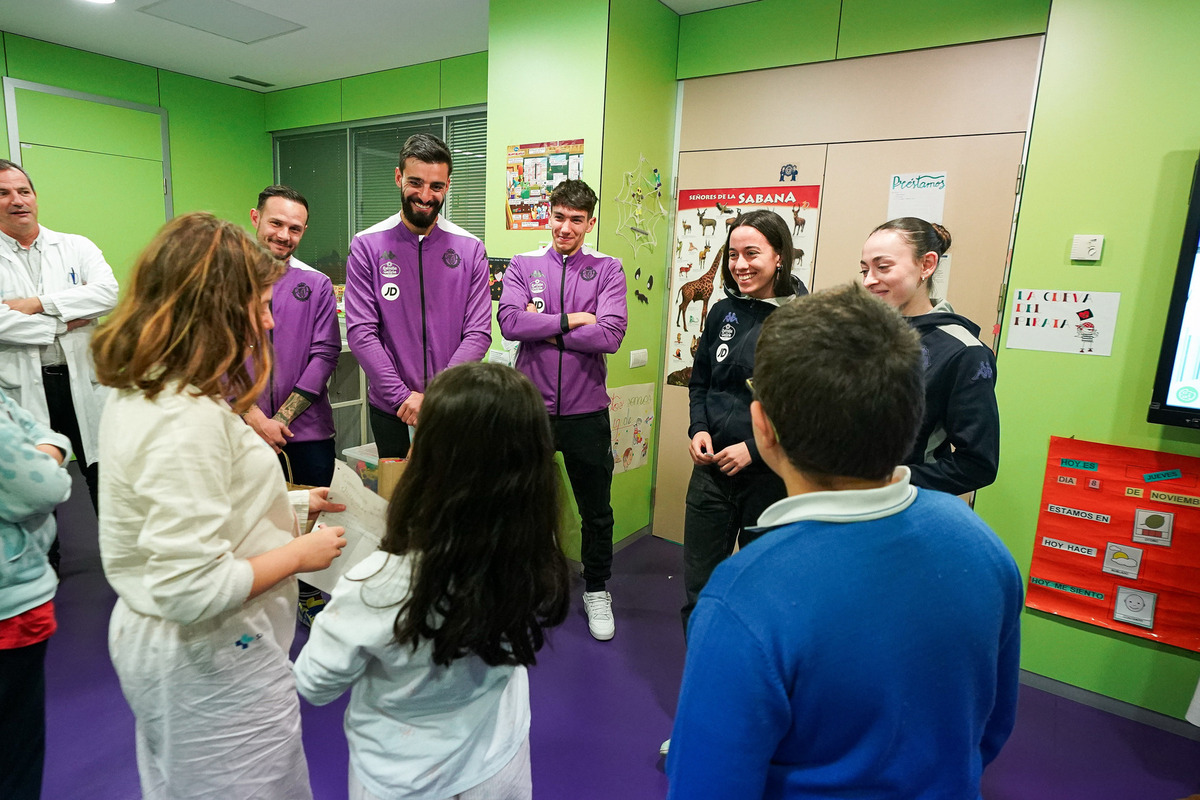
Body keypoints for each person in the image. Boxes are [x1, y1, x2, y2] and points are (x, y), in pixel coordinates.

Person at [666, 284, 1022, 799]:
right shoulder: (983, 547)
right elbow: (989, 729)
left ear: (762, 427)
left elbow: (707, 785)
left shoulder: (744, 594)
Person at [91, 212, 347, 799]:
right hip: (208, 664)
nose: (267, 319)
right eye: (257, 304)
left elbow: (200, 501)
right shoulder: (182, 419)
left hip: (205, 655)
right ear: (214, 308)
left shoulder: (160, 388)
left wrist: (287, 502)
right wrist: (300, 555)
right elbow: (190, 587)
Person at [294, 362, 570, 800]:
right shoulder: (530, 556)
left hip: (403, 779)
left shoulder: (377, 583)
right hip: (498, 761)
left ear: (431, 462)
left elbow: (314, 682)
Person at [497, 179, 627, 641]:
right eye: (559, 217)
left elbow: (610, 334)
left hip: (586, 411)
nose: (565, 227)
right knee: (521, 504)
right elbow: (510, 323)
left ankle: (596, 588)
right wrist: (571, 321)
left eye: (576, 219)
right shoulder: (523, 264)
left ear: (590, 223)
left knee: (596, 510)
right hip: (529, 411)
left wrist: (543, 331)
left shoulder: (608, 269)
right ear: (546, 216)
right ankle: (522, 583)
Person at [681, 209, 806, 632]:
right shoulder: (722, 311)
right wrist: (698, 428)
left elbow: (806, 406)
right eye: (732, 255)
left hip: (769, 479)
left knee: (761, 589)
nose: (739, 265)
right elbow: (701, 383)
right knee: (701, 587)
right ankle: (702, 670)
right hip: (711, 474)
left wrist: (753, 449)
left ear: (779, 257)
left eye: (751, 253)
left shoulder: (805, 321)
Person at [344, 133, 491, 457]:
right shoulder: (367, 245)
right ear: (398, 177)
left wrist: (435, 398)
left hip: (452, 406)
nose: (425, 195)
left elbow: (478, 333)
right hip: (392, 408)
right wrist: (402, 398)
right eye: (416, 182)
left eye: (436, 186)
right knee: (398, 502)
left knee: (453, 501)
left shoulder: (470, 248)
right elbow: (361, 333)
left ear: (448, 185)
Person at [241, 185, 341, 625]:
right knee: (252, 511)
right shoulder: (226, 281)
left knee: (309, 511)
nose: (284, 235)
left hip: (307, 428)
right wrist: (255, 419)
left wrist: (279, 420)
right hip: (241, 426)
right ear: (255, 218)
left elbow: (324, 355)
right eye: (276, 223)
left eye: (295, 228)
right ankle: (256, 586)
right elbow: (216, 360)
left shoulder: (315, 285)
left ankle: (308, 591)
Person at [0, 158, 117, 516]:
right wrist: (63, 322)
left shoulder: (75, 246)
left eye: (24, 191)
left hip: (83, 381)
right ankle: (46, 561)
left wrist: (35, 304)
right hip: (23, 387)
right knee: (36, 480)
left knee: (103, 474)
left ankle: (120, 558)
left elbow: (107, 294)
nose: (17, 200)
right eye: (3, 193)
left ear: (35, 197)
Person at [860, 217, 1000, 495]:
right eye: (864, 270)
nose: (869, 281)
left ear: (926, 265)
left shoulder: (964, 352)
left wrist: (889, 479)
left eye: (883, 267)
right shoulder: (864, 335)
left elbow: (977, 464)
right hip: (842, 501)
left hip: (904, 508)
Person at [0, 388, 72, 800]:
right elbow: (42, 487)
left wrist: (46, 447)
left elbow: (46, 433)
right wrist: (45, 457)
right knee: (15, 756)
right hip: (9, 609)